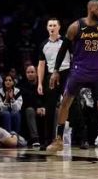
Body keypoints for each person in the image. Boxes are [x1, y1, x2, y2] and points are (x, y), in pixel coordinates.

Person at [45, 0, 98, 154]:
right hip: (79, 71)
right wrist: (56, 70)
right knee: (65, 102)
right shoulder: (75, 26)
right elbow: (63, 49)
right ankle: (58, 140)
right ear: (90, 9)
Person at [37, 18, 71, 146]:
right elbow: (41, 65)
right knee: (50, 108)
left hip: (66, 73)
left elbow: (74, 57)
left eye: (54, 25)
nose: (52, 27)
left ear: (59, 27)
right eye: (50, 25)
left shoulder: (66, 42)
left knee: (73, 105)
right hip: (51, 76)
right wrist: (40, 83)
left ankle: (83, 138)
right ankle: (47, 141)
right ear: (47, 28)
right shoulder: (43, 44)